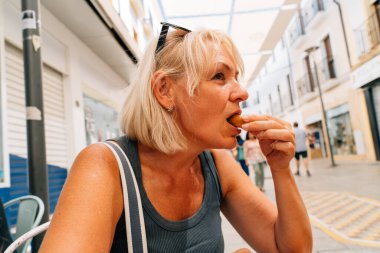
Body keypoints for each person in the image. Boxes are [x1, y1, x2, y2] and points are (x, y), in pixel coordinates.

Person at [40, 23, 312, 252]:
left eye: (236, 77)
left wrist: (281, 170)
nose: (242, 92)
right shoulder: (105, 166)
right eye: (219, 76)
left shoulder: (215, 164)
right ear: (165, 90)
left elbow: (290, 248)